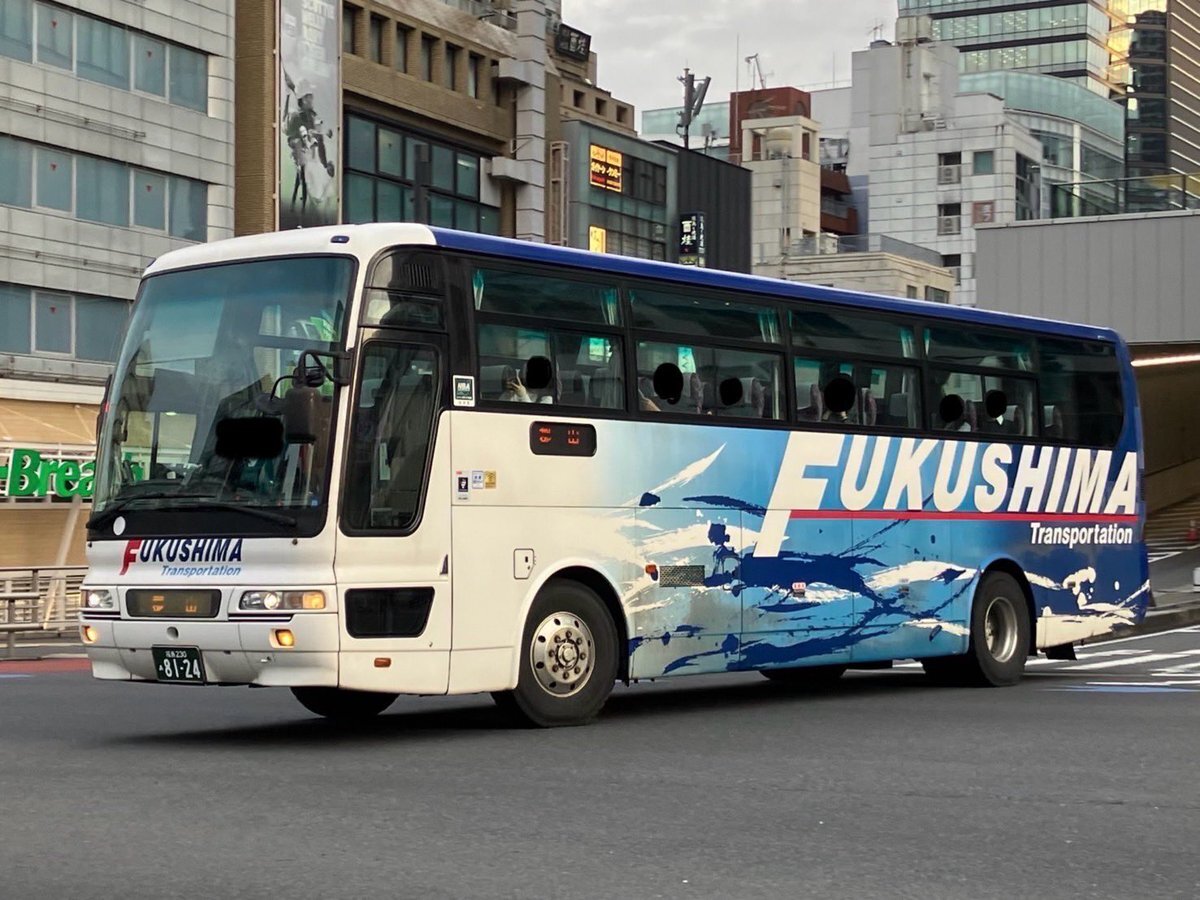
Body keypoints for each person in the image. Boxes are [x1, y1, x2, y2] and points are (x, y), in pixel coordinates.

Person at [282, 70, 335, 226]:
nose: (312, 99)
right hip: (304, 159)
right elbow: (291, 135)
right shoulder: (296, 117)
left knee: (326, 191)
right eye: (309, 96)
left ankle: (316, 219)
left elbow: (320, 142)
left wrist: (324, 165)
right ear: (304, 99)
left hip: (313, 161)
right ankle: (301, 216)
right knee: (306, 188)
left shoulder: (313, 116)